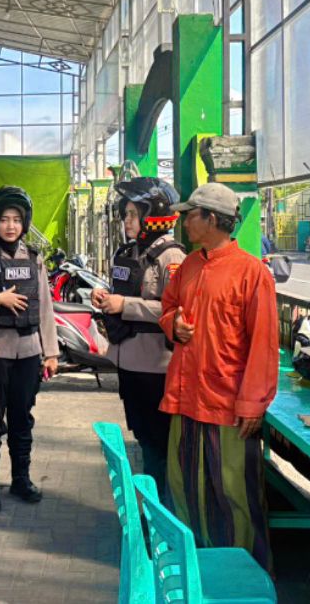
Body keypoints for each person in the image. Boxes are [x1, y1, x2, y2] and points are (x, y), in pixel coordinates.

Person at [158, 182, 279, 572]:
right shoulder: (189, 266)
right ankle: (194, 569)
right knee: (183, 488)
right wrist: (173, 324)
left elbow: (264, 343)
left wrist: (253, 403)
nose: (184, 222)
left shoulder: (252, 273)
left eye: (190, 215)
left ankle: (243, 577)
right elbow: (168, 308)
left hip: (228, 404)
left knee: (233, 494)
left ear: (211, 219)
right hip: (185, 398)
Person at [91, 176, 186, 496]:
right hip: (128, 361)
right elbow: (123, 291)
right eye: (126, 214)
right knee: (144, 438)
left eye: (134, 214)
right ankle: (153, 503)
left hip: (156, 366)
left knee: (159, 444)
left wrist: (125, 305)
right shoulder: (129, 252)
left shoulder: (172, 257)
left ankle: (162, 509)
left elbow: (178, 311)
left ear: (154, 215)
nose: (127, 221)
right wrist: (106, 297)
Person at [0, 186, 59, 515]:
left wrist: (51, 352)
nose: (11, 226)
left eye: (17, 220)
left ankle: (21, 479)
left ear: (25, 223)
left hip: (28, 353)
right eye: (5, 219)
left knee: (23, 419)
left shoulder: (35, 259)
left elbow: (45, 307)